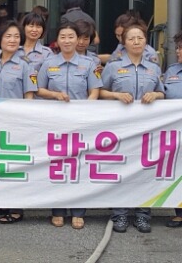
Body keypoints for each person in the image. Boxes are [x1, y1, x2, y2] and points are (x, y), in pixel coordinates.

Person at [36, 23, 102, 230]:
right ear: (57, 40)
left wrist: (86, 109)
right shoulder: (48, 63)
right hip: (55, 122)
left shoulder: (89, 64)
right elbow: (39, 89)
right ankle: (58, 210)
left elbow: (95, 90)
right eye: (63, 36)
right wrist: (55, 95)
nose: (67, 40)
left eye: (71, 36)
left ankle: (78, 211)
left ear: (78, 40)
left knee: (79, 165)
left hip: (81, 123)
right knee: (57, 165)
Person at [100, 23, 163, 234]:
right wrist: (116, 95)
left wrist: (155, 94)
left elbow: (162, 92)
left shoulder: (154, 68)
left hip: (147, 129)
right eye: (131, 38)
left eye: (140, 38)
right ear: (123, 42)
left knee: (145, 171)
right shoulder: (113, 66)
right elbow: (101, 92)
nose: (136, 42)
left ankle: (143, 215)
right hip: (121, 129)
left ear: (146, 41)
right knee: (121, 170)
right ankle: (120, 214)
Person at [0, 20, 37, 224]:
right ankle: (1, 202)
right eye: (8, 36)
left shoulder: (25, 65)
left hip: (15, 122)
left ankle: (16, 208)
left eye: (16, 36)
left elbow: (29, 96)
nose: (13, 40)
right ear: (0, 38)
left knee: (14, 164)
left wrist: (25, 121)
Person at [163, 30, 182, 229]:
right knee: (177, 170)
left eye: (181, 48)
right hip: (175, 132)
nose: (178, 52)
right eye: (177, 48)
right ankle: (180, 212)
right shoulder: (172, 71)